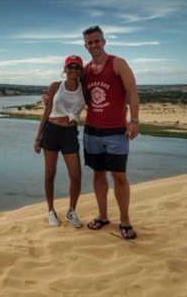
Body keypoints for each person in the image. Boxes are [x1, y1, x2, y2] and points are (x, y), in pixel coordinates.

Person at [82, 25, 139, 239]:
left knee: (119, 176)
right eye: (90, 42)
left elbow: (133, 93)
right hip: (92, 132)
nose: (94, 45)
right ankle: (103, 216)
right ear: (85, 45)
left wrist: (134, 120)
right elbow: (77, 94)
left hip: (116, 131)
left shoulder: (118, 63)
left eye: (97, 41)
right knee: (98, 174)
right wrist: (48, 98)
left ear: (104, 42)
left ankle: (125, 221)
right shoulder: (86, 70)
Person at [34, 55, 86, 228]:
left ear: (80, 70)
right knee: (50, 173)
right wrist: (38, 136)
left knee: (76, 176)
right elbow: (47, 112)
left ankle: (71, 211)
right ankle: (51, 211)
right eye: (70, 67)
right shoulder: (56, 86)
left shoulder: (84, 89)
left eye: (76, 67)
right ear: (65, 70)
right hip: (51, 131)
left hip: (69, 133)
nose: (73, 70)